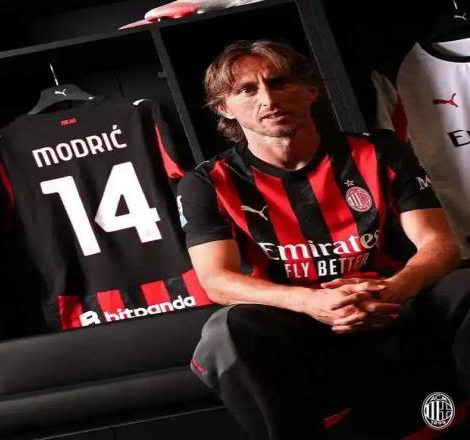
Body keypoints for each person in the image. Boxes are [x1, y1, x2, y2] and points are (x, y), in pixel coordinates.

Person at [177, 39, 470, 439]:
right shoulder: (208, 182)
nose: (268, 99)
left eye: (279, 82)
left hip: (391, 305)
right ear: (224, 107)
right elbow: (216, 280)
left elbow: (439, 245)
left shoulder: (379, 152)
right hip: (300, 325)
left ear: (310, 89)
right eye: (247, 89)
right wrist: (312, 302)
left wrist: (393, 290)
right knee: (226, 332)